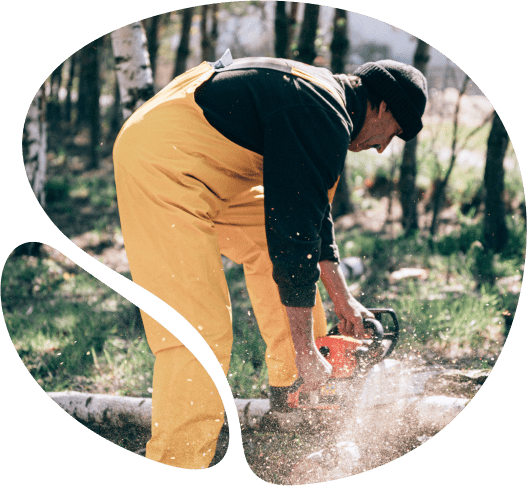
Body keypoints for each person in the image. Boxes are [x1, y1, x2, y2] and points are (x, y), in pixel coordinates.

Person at [112, 50, 427, 469]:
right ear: (383, 105)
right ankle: (177, 462)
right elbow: (292, 242)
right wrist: (303, 347)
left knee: (269, 241)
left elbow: (311, 214)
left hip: (206, 164)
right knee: (198, 332)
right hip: (163, 165)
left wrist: (342, 296)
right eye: (394, 131)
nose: (384, 148)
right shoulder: (322, 115)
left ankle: (299, 391)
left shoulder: (326, 105)